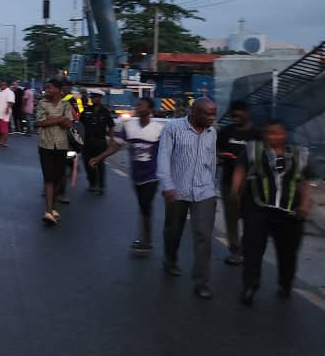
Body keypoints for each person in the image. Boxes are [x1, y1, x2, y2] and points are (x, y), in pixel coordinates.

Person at [233, 119, 315, 305]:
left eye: (278, 133)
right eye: (270, 133)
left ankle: (285, 284)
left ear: (285, 134)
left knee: (288, 253)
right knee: (252, 249)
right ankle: (249, 287)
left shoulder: (299, 154)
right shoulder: (252, 149)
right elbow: (240, 171)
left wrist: (303, 205)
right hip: (258, 209)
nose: (274, 137)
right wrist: (235, 193)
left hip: (290, 213)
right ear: (265, 134)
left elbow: (305, 181)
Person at [157, 97, 219, 300]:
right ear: (194, 113)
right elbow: (164, 158)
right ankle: (170, 259)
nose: (212, 118)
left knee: (204, 236)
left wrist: (212, 186)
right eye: (208, 114)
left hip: (204, 192)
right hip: (178, 190)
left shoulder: (212, 133)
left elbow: (212, 161)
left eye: (214, 113)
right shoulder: (173, 128)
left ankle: (202, 282)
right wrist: (167, 186)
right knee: (173, 231)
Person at [90, 97, 163, 253]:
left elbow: (168, 151)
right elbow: (116, 146)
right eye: (136, 105)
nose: (137, 107)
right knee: (143, 206)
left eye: (141, 106)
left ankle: (146, 240)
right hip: (136, 176)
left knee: (145, 206)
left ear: (149, 110)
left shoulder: (159, 129)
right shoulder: (129, 127)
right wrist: (99, 158)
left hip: (152, 176)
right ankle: (146, 238)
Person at [217, 101, 261, 266]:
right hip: (228, 183)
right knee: (231, 218)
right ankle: (235, 251)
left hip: (251, 185)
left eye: (238, 114)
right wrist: (221, 156)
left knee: (251, 219)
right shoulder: (226, 132)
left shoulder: (256, 134)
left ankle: (248, 248)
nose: (235, 118)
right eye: (232, 115)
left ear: (247, 113)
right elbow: (217, 152)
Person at [35, 78, 74, 226]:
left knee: (59, 177)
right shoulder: (42, 104)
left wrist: (52, 119)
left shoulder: (66, 104)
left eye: (50, 88)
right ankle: (48, 211)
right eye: (46, 88)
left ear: (58, 90)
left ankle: (52, 207)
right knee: (48, 178)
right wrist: (60, 119)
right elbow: (39, 122)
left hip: (62, 146)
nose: (47, 90)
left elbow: (68, 123)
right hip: (45, 145)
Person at [80, 90, 115, 195]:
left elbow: (111, 126)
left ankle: (101, 186)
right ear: (91, 98)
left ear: (101, 99)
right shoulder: (86, 111)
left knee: (100, 163)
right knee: (88, 163)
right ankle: (92, 183)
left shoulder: (105, 112)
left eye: (98, 97)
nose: (96, 99)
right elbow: (80, 125)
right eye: (94, 97)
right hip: (87, 141)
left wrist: (111, 140)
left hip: (100, 141)